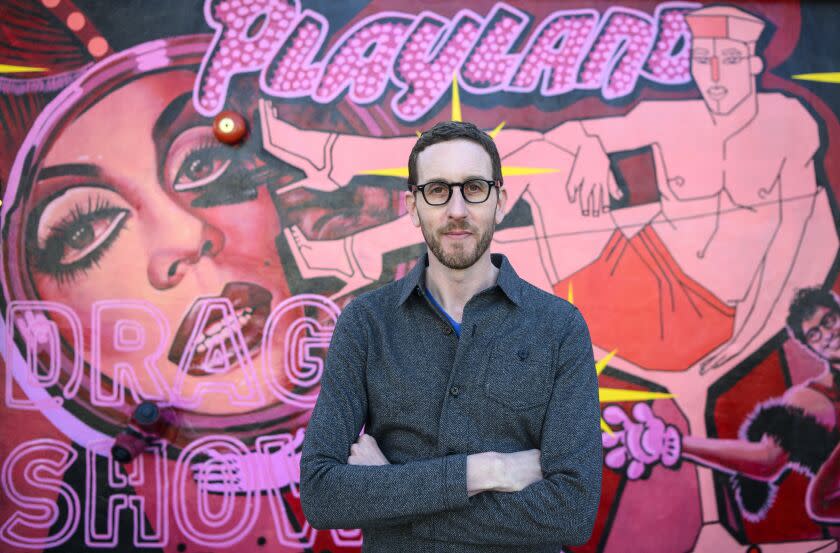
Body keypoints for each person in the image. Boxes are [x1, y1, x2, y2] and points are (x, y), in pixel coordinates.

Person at [299, 121, 602, 551]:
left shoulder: (559, 328)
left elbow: (571, 513)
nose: (457, 209)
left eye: (474, 188)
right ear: (411, 206)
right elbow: (321, 493)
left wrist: (391, 490)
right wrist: (486, 471)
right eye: (437, 190)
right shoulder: (366, 324)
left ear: (500, 201)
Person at [602, 287, 840, 527]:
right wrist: (672, 443)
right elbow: (768, 458)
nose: (828, 335)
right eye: (815, 335)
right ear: (809, 347)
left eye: (829, 321)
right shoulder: (812, 399)